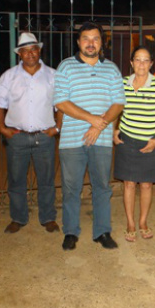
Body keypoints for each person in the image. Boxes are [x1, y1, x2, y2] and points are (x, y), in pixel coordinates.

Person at [54, 22, 125, 251]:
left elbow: (118, 103)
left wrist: (98, 125)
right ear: (78, 42)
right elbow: (61, 102)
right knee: (71, 187)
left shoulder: (112, 69)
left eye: (95, 38)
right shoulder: (65, 67)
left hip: (102, 139)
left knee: (102, 186)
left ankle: (102, 231)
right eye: (86, 38)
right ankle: (71, 232)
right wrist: (91, 119)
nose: (91, 43)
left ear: (102, 42)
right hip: (72, 140)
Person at [0, 32, 62, 234]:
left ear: (39, 51)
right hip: (17, 137)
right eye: (25, 51)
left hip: (44, 136)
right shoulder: (9, 76)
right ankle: (18, 218)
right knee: (16, 180)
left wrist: (58, 127)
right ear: (19, 54)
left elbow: (61, 104)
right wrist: (2, 129)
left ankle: (48, 218)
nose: (30, 54)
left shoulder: (52, 75)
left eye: (34, 49)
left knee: (47, 180)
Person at [113, 46, 155, 242]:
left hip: (150, 141)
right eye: (137, 60)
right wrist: (114, 130)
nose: (141, 64)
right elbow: (115, 108)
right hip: (127, 140)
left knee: (146, 185)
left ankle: (143, 222)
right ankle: (130, 222)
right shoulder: (122, 83)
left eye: (146, 60)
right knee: (129, 184)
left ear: (151, 64)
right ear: (131, 63)